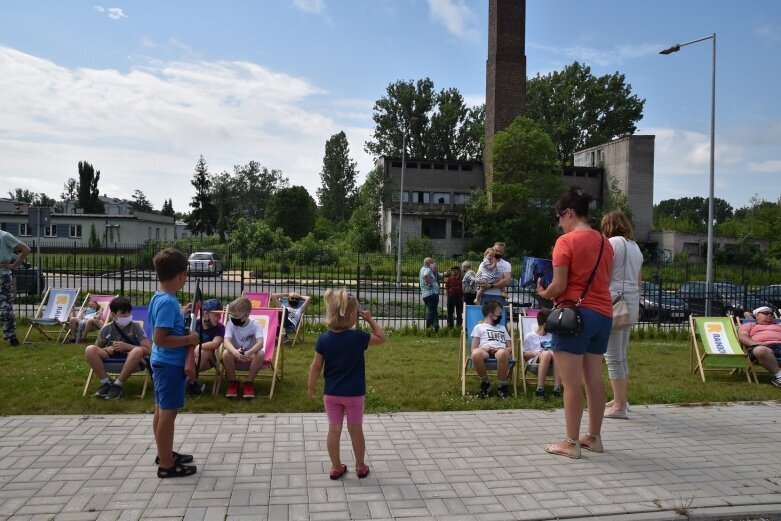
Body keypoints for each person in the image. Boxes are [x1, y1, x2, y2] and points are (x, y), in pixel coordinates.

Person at [536, 187, 614, 459]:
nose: (559, 224)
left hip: (574, 317)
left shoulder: (565, 242)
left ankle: (571, 442)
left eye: (559, 217)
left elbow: (559, 286)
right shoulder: (606, 242)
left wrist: (543, 293)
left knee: (570, 383)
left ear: (569, 213)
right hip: (603, 315)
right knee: (593, 378)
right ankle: (593, 437)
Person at [307, 289, 385, 480]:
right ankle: (360, 465)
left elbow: (316, 366)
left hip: (331, 394)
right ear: (352, 316)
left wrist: (310, 387)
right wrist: (370, 320)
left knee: (334, 429)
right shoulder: (358, 337)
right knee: (355, 429)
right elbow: (381, 338)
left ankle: (336, 467)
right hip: (354, 394)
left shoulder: (323, 339)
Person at [149, 247, 200, 478]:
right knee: (168, 414)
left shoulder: (161, 298)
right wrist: (189, 339)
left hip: (162, 362)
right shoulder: (168, 302)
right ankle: (167, 466)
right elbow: (160, 337)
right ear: (181, 275)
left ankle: (164, 453)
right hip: (169, 364)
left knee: (161, 411)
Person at [601, 211, 644, 419]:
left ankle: (619, 406)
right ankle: (621, 399)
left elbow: (605, 275)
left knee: (612, 356)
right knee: (621, 352)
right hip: (632, 302)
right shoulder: (635, 247)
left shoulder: (611, 243)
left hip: (615, 301)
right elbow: (639, 281)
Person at [84, 296, 151, 400]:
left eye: (129, 313)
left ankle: (117, 385)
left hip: (134, 361)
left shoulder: (136, 327)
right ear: (114, 314)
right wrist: (107, 349)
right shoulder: (106, 329)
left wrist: (127, 347)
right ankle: (106, 383)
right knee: (90, 349)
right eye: (123, 313)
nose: (127, 316)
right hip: (110, 359)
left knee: (137, 350)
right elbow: (97, 348)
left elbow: (148, 350)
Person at [222, 296, 266, 399]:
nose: (233, 318)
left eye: (236, 316)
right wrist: (235, 352)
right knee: (225, 353)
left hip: (251, 355)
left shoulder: (255, 324)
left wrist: (249, 352)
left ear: (246, 315)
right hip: (235, 354)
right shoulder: (230, 324)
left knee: (261, 353)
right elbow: (226, 342)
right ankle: (233, 382)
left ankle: (249, 383)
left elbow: (260, 343)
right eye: (231, 315)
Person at [470, 300, 512, 399]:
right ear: (490, 315)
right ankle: (485, 383)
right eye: (499, 314)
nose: (500, 316)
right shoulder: (479, 327)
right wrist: (483, 347)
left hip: (501, 352)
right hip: (484, 351)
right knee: (476, 354)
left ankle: (502, 385)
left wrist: (504, 349)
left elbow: (510, 347)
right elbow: (473, 349)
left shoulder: (502, 328)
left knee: (502, 353)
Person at [187, 298, 225, 396]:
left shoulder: (220, 328)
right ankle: (189, 383)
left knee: (206, 352)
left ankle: (188, 382)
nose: (219, 318)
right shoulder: (194, 324)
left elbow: (215, 343)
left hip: (208, 360)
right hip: (190, 357)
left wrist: (199, 347)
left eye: (220, 315)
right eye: (216, 314)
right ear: (206, 314)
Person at [737, 306, 781, 388]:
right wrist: (753, 343)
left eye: (771, 314)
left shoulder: (778, 325)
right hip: (763, 347)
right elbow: (742, 336)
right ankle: (779, 376)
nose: (769, 315)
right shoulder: (750, 325)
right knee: (760, 350)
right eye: (765, 313)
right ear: (757, 315)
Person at [522, 308, 561, 399]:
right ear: (545, 324)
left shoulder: (552, 336)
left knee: (555, 354)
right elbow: (525, 355)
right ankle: (540, 389)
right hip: (535, 364)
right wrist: (537, 354)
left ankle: (557, 389)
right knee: (546, 354)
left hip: (553, 363)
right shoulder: (530, 336)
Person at [0, 230, 31, 346]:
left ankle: (11, 336)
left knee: (5, 309)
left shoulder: (5, 236)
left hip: (3, 277)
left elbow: (26, 250)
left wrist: (14, 265)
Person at [477, 242, 512, 307]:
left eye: (500, 252)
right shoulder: (484, 263)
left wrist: (490, 285)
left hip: (499, 296)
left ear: (503, 252)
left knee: (499, 316)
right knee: (485, 316)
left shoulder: (506, 264)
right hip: (485, 295)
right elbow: (477, 279)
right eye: (497, 251)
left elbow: (506, 281)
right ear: (493, 249)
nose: (498, 253)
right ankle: (477, 298)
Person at [419, 257, 440, 331]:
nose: (432, 264)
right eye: (431, 262)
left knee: (433, 310)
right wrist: (430, 283)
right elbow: (425, 275)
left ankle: (436, 326)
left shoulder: (421, 269)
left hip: (426, 294)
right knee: (431, 311)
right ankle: (429, 328)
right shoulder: (427, 269)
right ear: (428, 263)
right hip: (431, 294)